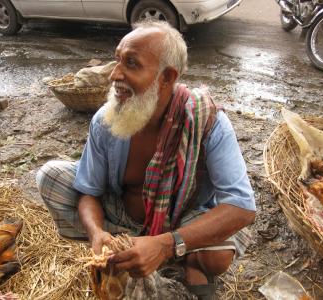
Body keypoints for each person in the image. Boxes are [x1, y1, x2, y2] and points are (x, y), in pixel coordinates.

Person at [36, 20, 256, 299]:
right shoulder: (106, 120)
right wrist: (96, 234)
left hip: (180, 223)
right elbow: (88, 191)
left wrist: (165, 244)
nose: (115, 74)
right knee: (51, 177)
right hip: (121, 221)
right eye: (117, 60)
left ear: (167, 77)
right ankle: (131, 251)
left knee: (217, 256)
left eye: (132, 64)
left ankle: (183, 263)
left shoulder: (207, 121)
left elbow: (242, 206)